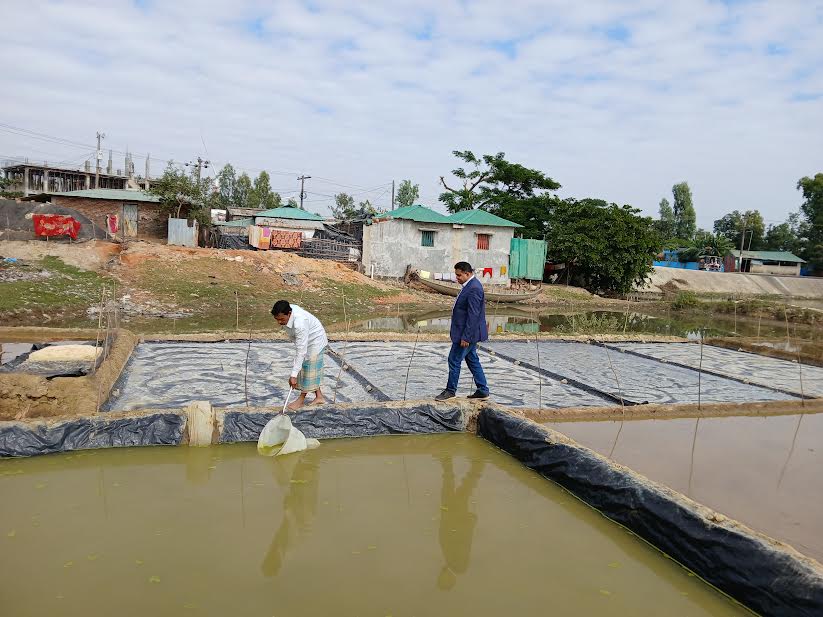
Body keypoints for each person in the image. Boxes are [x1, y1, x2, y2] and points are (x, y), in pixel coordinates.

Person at [435, 262, 490, 400]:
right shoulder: (469, 286)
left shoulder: (474, 288)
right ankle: (483, 389)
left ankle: (450, 390)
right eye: (456, 275)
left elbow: (473, 315)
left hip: (467, 334)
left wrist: (466, 337)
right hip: (467, 332)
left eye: (459, 275)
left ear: (468, 273)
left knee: (453, 359)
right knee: (472, 360)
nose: (457, 278)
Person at [271, 300, 329, 410]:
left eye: (282, 319)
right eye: (277, 319)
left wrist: (293, 375)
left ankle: (301, 400)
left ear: (289, 313)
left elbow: (301, 350)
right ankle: (319, 397)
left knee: (308, 368)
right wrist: (295, 370)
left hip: (315, 340)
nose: (279, 322)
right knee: (304, 367)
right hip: (306, 339)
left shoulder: (300, 323)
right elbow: (299, 344)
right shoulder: (288, 310)